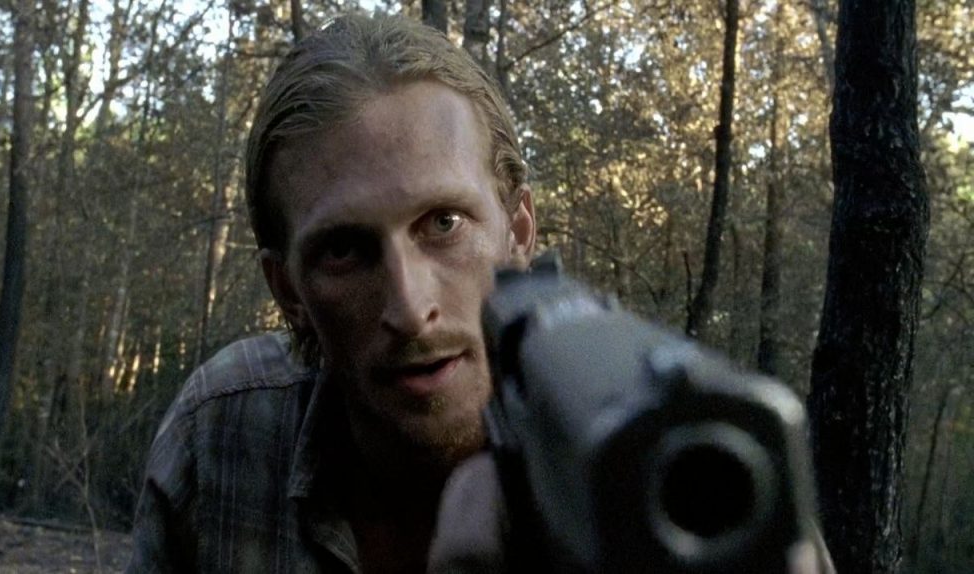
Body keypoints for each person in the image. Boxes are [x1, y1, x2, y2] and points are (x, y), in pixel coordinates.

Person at [128, 13, 833, 574]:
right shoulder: (224, 437)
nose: (410, 310)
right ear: (287, 289)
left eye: (443, 223)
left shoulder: (673, 476)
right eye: (344, 250)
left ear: (518, 231)